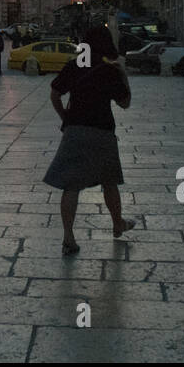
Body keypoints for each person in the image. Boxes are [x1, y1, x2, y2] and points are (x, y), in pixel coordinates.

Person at [42, 27, 136, 256]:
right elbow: (125, 103)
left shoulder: (74, 66)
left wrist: (65, 116)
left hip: (75, 132)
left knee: (71, 185)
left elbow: (55, 93)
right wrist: (123, 75)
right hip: (102, 131)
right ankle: (117, 224)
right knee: (110, 181)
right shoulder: (109, 70)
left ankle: (68, 236)